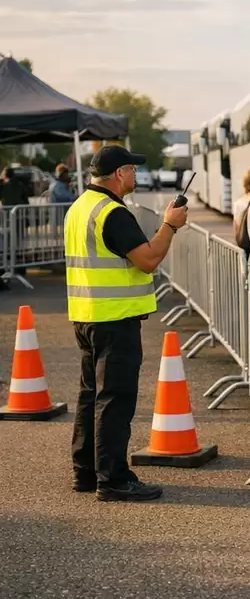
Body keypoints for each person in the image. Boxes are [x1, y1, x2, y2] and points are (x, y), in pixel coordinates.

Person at [65, 145, 188, 502]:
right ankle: (114, 479)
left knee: (90, 396)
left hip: (86, 315)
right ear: (119, 174)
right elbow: (148, 259)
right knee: (115, 401)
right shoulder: (113, 213)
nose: (135, 174)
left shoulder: (80, 207)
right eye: (132, 169)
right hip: (114, 319)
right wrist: (170, 225)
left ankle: (86, 472)